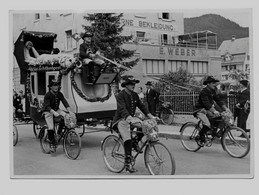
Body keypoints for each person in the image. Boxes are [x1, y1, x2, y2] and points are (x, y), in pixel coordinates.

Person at [112, 76, 158, 173]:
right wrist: (129, 118)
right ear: (126, 85)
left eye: (134, 84)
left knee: (145, 126)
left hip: (131, 119)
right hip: (121, 120)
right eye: (131, 84)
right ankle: (128, 164)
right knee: (127, 139)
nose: (133, 86)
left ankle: (136, 143)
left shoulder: (134, 95)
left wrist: (151, 116)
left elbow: (142, 107)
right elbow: (122, 108)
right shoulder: (120, 95)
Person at [195, 76, 230, 146]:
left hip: (208, 110)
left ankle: (211, 131)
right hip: (200, 110)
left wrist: (225, 108)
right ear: (208, 84)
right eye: (212, 83)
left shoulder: (212, 91)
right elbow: (206, 103)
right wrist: (214, 111)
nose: (214, 84)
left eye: (214, 83)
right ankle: (199, 136)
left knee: (220, 117)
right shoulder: (203, 92)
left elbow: (218, 100)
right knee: (207, 124)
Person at [41, 79, 71, 148]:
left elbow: (64, 101)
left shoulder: (59, 94)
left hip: (57, 110)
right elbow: (47, 106)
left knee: (66, 116)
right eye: (54, 85)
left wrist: (69, 110)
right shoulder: (47, 95)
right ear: (50, 87)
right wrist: (53, 112)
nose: (56, 87)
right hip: (48, 111)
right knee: (51, 127)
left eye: (57, 85)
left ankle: (59, 133)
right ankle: (51, 143)